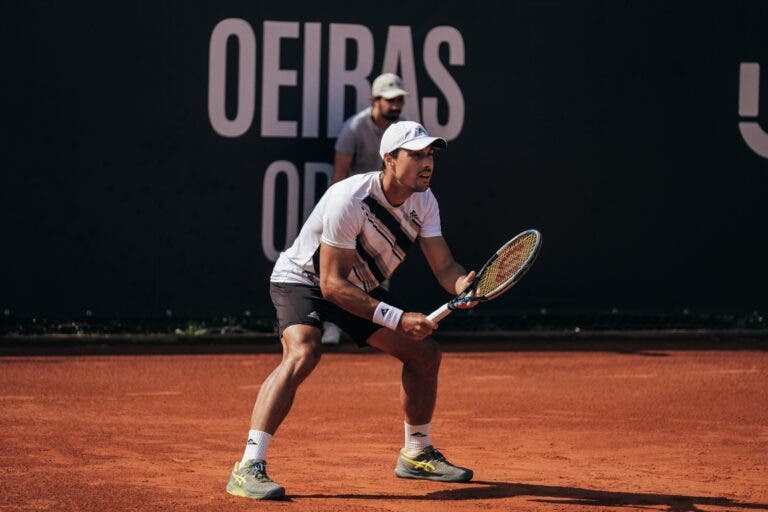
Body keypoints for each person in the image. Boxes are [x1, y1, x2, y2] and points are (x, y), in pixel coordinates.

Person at [226, 121, 477, 500]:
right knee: (304, 351)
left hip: (355, 286)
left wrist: (463, 286)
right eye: (417, 155)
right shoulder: (350, 197)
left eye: (431, 155)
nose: (428, 163)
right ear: (390, 159)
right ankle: (248, 465)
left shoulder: (425, 201)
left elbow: (445, 267)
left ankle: (416, 453)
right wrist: (397, 318)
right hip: (304, 279)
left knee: (424, 354)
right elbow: (330, 285)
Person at [322, 72, 408, 344]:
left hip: (389, 213)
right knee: (338, 274)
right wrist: (337, 213)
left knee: (379, 273)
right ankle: (331, 327)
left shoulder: (405, 130)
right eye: (390, 100)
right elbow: (338, 176)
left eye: (399, 101)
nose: (396, 106)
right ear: (374, 100)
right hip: (353, 210)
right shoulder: (353, 129)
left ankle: (373, 331)